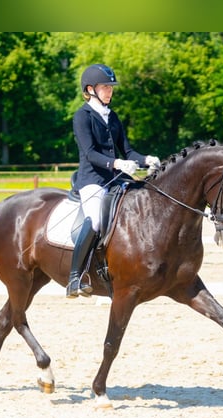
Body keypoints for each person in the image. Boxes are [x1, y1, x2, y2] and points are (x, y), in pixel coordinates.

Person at [67, 63, 161, 298]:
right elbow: (90, 153)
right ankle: (75, 277)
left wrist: (146, 159)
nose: (110, 91)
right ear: (90, 89)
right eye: (105, 87)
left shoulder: (113, 117)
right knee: (96, 220)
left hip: (115, 179)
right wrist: (116, 164)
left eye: (111, 87)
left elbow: (128, 152)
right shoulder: (82, 116)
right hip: (92, 180)